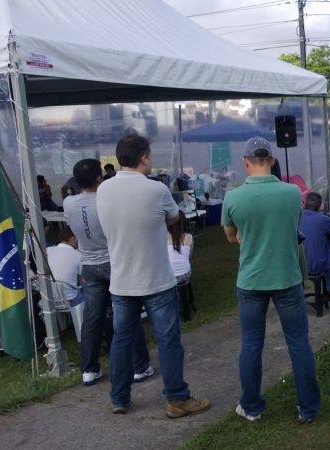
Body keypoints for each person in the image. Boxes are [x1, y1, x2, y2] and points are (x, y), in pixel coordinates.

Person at [97, 134, 209, 418]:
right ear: (144, 157)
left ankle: (119, 397)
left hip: (121, 280)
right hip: (156, 279)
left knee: (122, 340)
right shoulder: (155, 190)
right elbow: (174, 218)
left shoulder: (104, 189)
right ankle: (177, 398)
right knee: (168, 341)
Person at [221, 137, 320, 424]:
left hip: (251, 280)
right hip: (287, 277)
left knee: (251, 344)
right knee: (299, 343)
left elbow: (231, 236)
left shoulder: (233, 197)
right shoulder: (292, 193)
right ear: (273, 160)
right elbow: (293, 225)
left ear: (245, 162)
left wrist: (244, 235)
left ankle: (251, 406)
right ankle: (308, 408)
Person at [64, 158, 152, 387]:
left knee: (92, 318)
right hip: (114, 262)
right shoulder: (106, 200)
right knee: (128, 312)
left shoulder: (68, 204)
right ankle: (140, 365)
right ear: (98, 178)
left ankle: (89, 369)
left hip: (89, 266)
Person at [298, 191, 330, 297]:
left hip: (298, 264)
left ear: (305, 204)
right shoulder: (323, 219)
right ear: (320, 206)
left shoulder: (297, 217)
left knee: (319, 249)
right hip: (316, 265)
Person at [46, 226, 83, 306]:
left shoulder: (47, 250)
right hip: (71, 300)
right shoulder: (78, 255)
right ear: (72, 238)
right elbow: (82, 281)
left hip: (48, 300)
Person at [167, 211, 192, 284]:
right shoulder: (189, 237)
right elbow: (189, 257)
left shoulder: (164, 236)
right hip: (186, 275)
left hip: (170, 278)